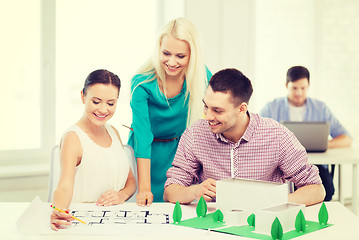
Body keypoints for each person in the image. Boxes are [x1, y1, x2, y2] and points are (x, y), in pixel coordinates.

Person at [164, 68, 325, 206]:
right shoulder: (195, 134)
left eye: (217, 110)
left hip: (264, 224)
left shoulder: (278, 136)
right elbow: (170, 191)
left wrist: (277, 201)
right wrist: (193, 191)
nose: (208, 116)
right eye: (206, 106)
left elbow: (316, 189)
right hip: (214, 226)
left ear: (241, 109)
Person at [127, 17, 212, 205]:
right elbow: (143, 136)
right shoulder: (141, 84)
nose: (171, 62)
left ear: (192, 55)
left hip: (179, 154)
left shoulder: (202, 76)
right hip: (145, 155)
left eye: (180, 56)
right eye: (166, 53)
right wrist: (145, 189)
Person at [51, 69, 136, 231]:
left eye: (110, 103)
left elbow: (130, 182)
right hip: (83, 223)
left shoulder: (113, 132)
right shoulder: (73, 138)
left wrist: (121, 195)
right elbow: (64, 186)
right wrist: (59, 211)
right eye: (96, 102)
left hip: (114, 223)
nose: (103, 110)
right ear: (83, 96)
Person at [260, 66, 352, 201]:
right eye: (294, 88)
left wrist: (323, 144)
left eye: (303, 88)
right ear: (286, 86)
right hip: (282, 165)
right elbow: (257, 134)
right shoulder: (271, 107)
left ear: (308, 86)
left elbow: (346, 139)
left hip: (315, 164)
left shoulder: (321, 108)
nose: (299, 93)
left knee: (327, 190)